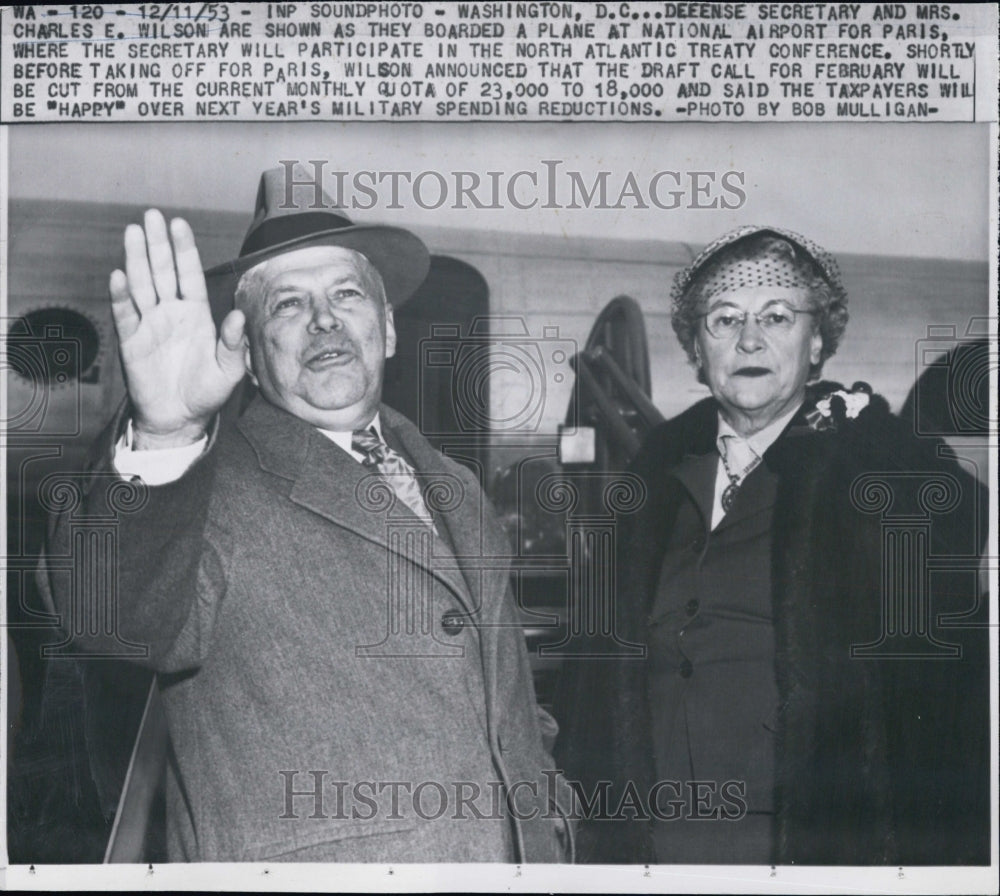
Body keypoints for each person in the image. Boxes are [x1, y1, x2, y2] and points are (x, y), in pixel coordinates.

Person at [40, 168, 572, 863]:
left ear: (384, 329)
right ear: (253, 359)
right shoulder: (202, 485)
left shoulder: (458, 487)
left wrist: (550, 814)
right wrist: (165, 434)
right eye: (288, 305)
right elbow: (110, 618)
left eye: (346, 294)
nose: (324, 319)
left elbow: (506, 702)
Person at [554, 226, 989, 865]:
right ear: (697, 351)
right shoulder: (653, 477)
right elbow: (592, 671)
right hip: (649, 837)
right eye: (724, 319)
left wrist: (878, 440)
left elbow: (955, 558)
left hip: (803, 841)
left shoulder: (872, 466)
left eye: (777, 317)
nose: (749, 340)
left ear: (817, 343)